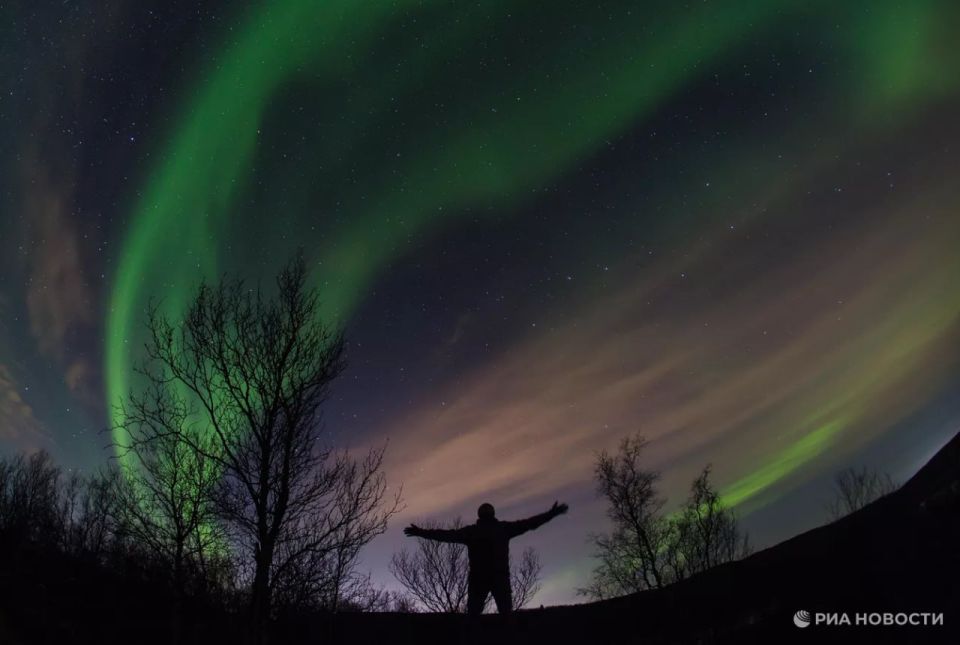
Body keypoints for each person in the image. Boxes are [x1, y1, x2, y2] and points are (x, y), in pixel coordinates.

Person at [404, 501, 569, 615]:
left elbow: (445, 535)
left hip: (480, 579)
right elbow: (529, 523)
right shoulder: (503, 529)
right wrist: (550, 514)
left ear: (479, 515)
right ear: (493, 514)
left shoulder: (472, 532)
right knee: (505, 616)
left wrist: (421, 532)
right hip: (498, 577)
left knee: (474, 616)